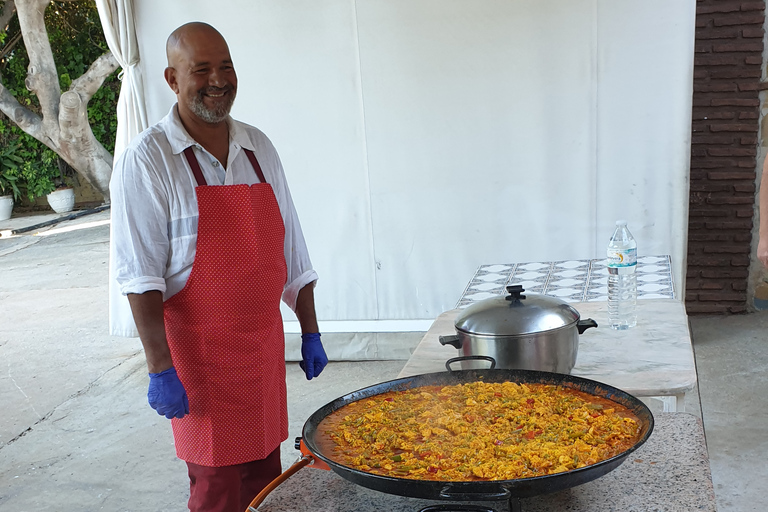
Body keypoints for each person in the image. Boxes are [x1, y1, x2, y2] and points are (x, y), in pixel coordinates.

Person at [109, 21, 328, 512]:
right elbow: (140, 276)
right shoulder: (149, 160)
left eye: (225, 66)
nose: (217, 79)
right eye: (200, 69)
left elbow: (292, 248)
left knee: (266, 482)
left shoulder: (257, 148)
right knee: (217, 490)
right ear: (171, 79)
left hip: (261, 352)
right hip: (199, 364)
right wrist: (160, 368)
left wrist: (309, 329)